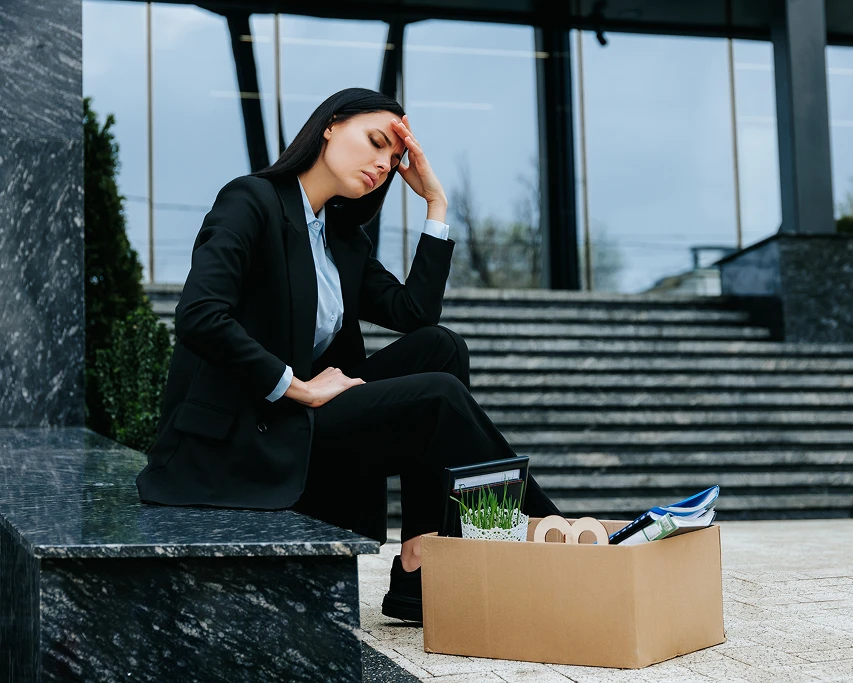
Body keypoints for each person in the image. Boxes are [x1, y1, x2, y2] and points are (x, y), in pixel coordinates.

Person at [135, 87, 561, 623]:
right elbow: (199, 315)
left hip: (302, 423)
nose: (384, 164)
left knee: (441, 348)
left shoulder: (341, 238)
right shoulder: (251, 201)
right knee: (437, 396)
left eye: (394, 158)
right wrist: (298, 385)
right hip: (245, 434)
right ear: (331, 126)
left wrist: (436, 205)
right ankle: (553, 533)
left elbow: (414, 313)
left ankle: (418, 561)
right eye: (376, 142)